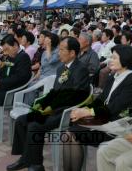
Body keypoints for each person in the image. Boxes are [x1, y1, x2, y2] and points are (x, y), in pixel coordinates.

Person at [7, 37, 90, 171]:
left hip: (65, 111)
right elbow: (55, 91)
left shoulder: (80, 69)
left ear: (72, 53)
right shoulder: (61, 68)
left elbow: (78, 96)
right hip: (53, 108)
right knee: (22, 121)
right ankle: (26, 158)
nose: (58, 53)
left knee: (35, 125)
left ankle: (36, 164)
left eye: (62, 50)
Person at [62, 45, 132, 171]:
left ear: (125, 60)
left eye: (114, 58)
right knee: (70, 132)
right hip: (103, 119)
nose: (110, 60)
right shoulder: (113, 77)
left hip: (116, 125)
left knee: (73, 133)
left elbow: (114, 108)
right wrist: (83, 110)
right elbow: (100, 100)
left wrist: (87, 112)